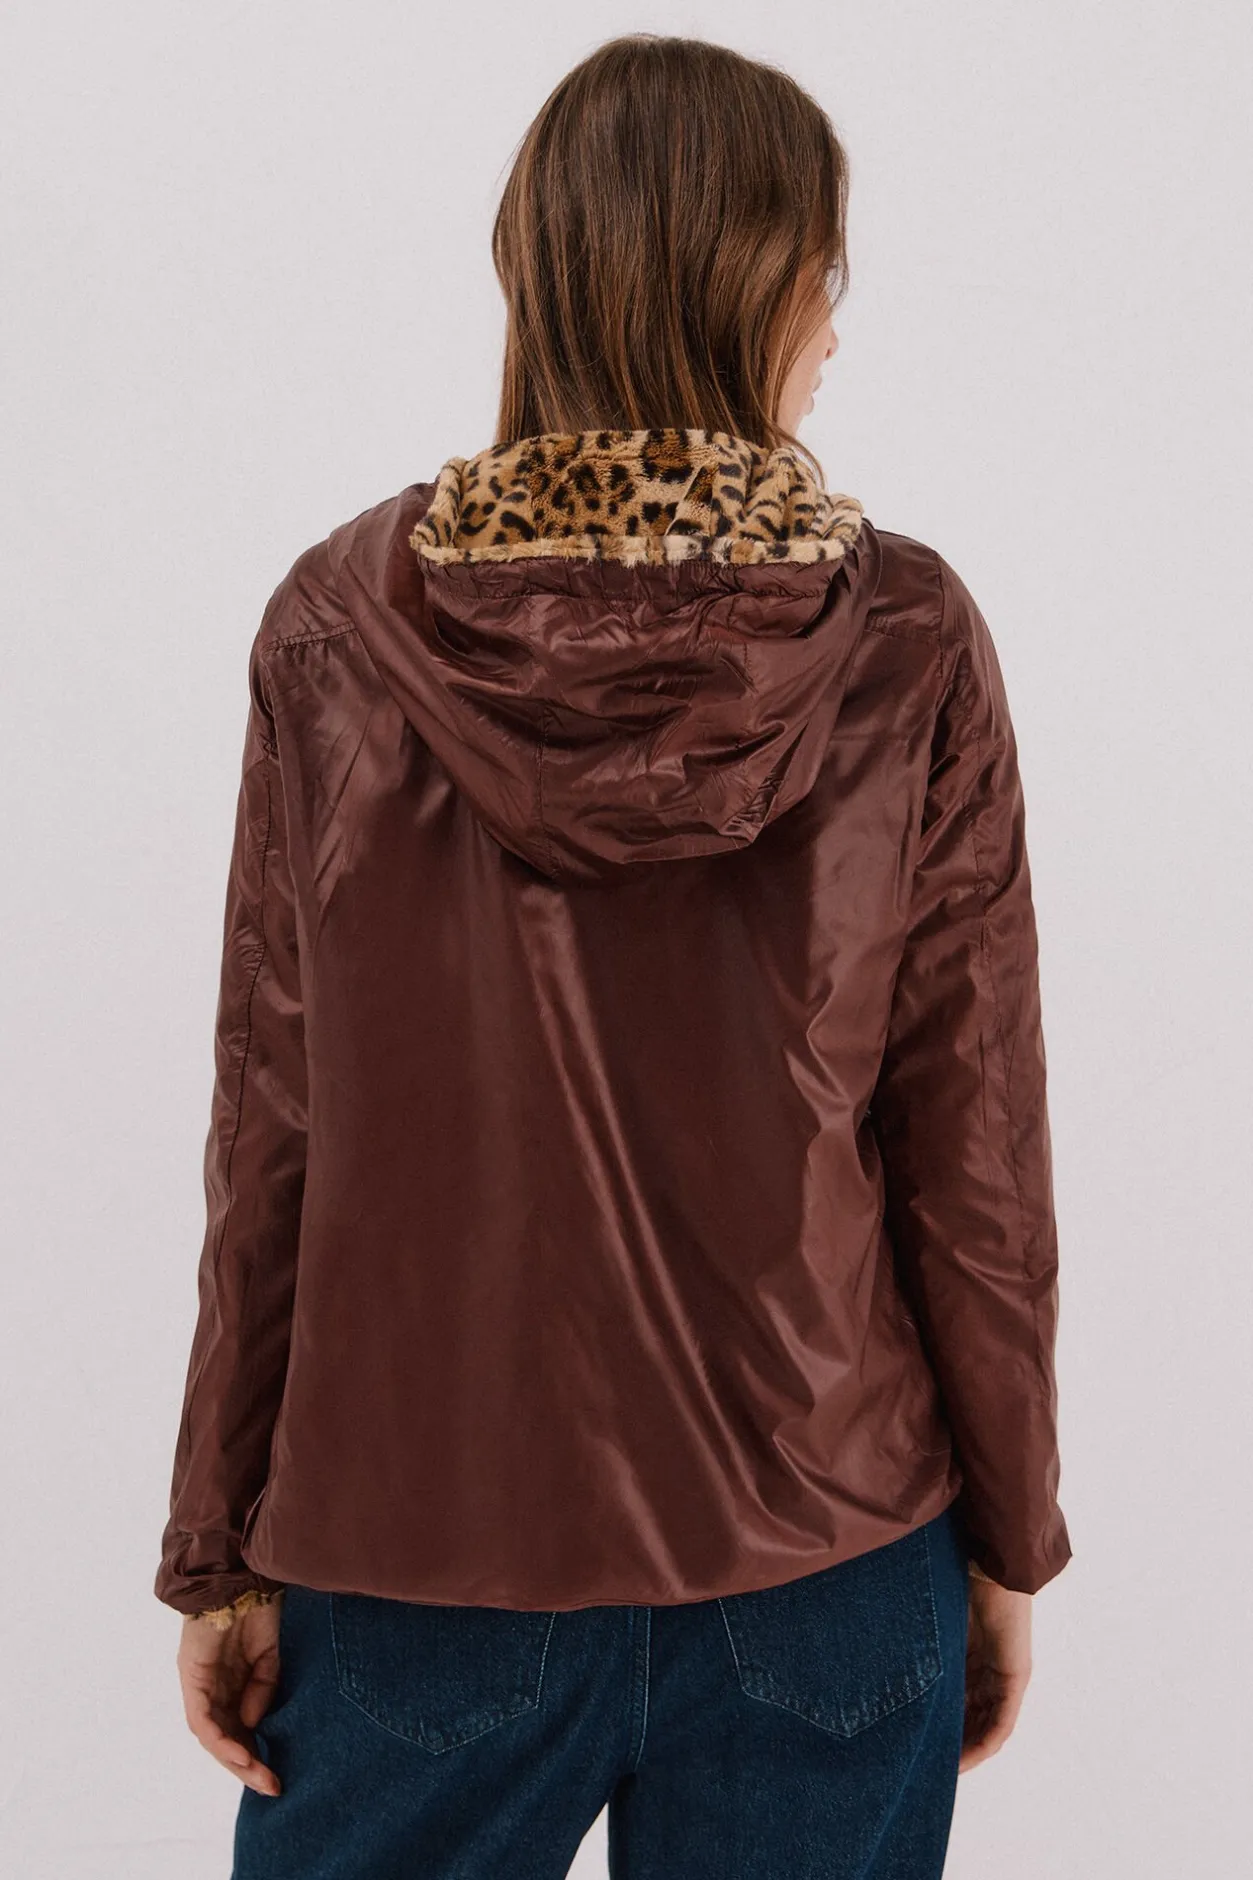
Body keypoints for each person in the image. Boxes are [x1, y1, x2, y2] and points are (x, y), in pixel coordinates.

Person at [156, 32, 1072, 1880]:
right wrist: (1005, 1529)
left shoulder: (341, 629)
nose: (839, 328)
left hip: (421, 1554)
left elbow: (276, 1123)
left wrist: (220, 1542)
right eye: (823, 272)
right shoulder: (903, 637)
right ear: (759, 287)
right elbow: (971, 1149)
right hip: (830, 1553)